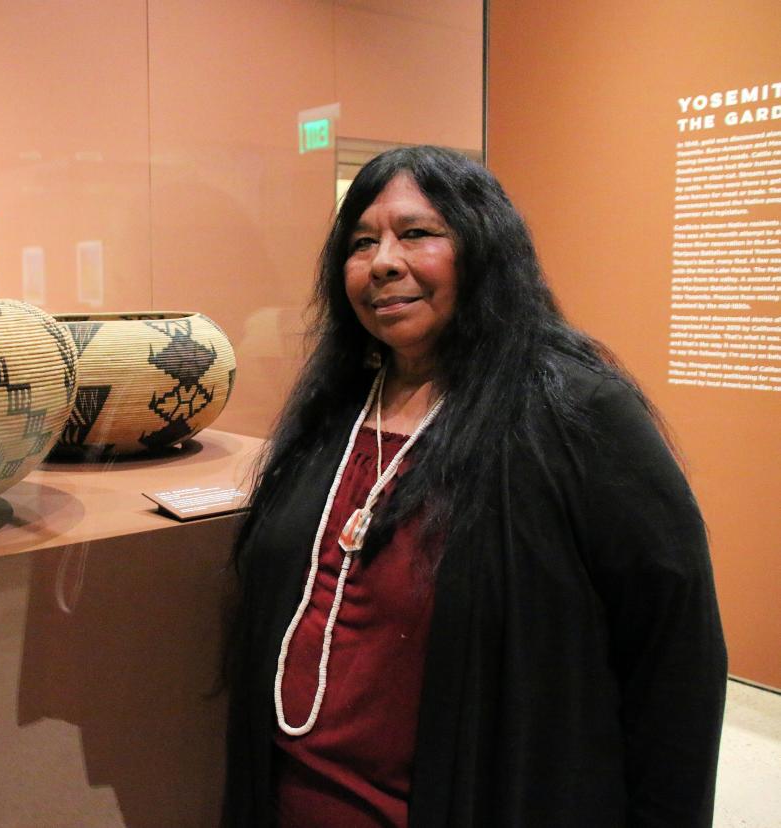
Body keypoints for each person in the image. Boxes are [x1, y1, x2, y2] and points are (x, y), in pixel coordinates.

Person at [223, 146, 727, 827]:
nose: (383, 262)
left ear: (484, 248)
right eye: (362, 242)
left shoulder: (574, 412)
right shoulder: (338, 410)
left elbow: (674, 653)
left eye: (418, 233)